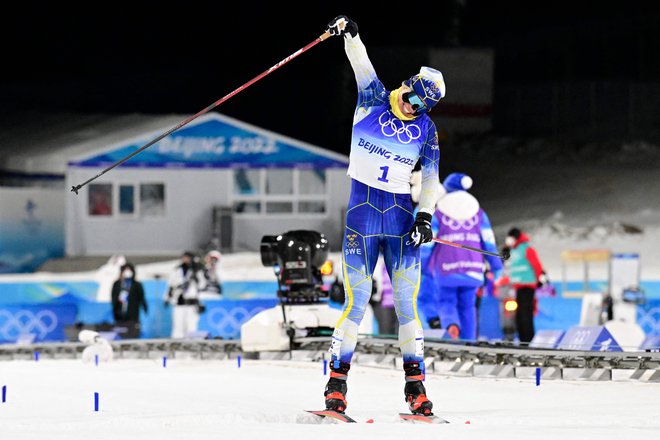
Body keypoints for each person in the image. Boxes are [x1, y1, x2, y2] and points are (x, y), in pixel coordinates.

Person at [323, 15, 445, 416]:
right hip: (361, 218)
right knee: (356, 302)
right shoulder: (374, 97)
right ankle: (336, 386)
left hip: (399, 222)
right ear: (406, 85)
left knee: (407, 307)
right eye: (412, 99)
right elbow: (360, 61)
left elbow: (430, 180)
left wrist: (424, 217)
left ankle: (417, 389)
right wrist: (352, 33)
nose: (412, 109)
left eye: (421, 107)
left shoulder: (426, 129)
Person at [418, 173, 503, 340]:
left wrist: (422, 265)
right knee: (468, 307)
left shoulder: (438, 212)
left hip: (446, 269)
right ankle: (469, 341)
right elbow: (488, 241)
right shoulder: (479, 213)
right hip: (473, 268)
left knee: (446, 302)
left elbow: (428, 243)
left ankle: (451, 324)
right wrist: (496, 266)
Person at [504, 227, 548, 344]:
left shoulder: (526, 249)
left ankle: (529, 340)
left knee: (525, 314)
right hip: (518, 287)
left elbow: (536, 265)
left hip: (527, 286)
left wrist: (538, 279)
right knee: (519, 315)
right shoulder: (514, 250)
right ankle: (523, 340)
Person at [164, 251, 208, 338]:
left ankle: (190, 346)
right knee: (178, 326)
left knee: (191, 326)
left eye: (187, 258)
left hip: (192, 303)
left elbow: (202, 285)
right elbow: (171, 285)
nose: (185, 259)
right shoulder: (177, 270)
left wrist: (196, 277)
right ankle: (176, 346)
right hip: (179, 302)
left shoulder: (197, 270)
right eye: (184, 257)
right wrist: (167, 298)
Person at [111, 262, 148, 338]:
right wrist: (115, 309)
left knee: (132, 332)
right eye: (125, 270)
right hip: (119, 314)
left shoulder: (137, 284)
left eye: (129, 270)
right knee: (121, 334)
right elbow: (114, 297)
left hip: (133, 314)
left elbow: (141, 297)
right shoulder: (117, 284)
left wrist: (145, 307)